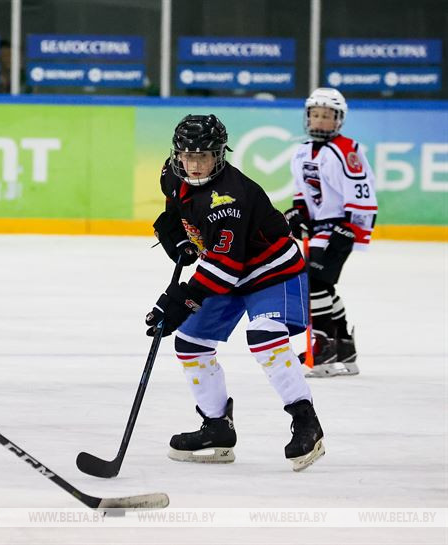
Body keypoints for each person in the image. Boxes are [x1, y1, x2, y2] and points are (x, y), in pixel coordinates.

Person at [148, 114, 324, 472]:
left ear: (219, 155)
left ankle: (306, 421)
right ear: (177, 154)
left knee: (265, 337)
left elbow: (225, 269)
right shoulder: (171, 173)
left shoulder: (228, 199)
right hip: (228, 270)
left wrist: (182, 301)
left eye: (204, 156)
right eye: (187, 156)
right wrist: (178, 235)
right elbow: (177, 206)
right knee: (190, 343)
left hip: (272, 271)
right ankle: (216, 427)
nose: (194, 165)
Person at [286, 87, 377, 377]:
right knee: (322, 285)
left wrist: (350, 228)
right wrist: (298, 213)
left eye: (327, 115)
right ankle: (344, 346)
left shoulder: (347, 149)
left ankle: (324, 348)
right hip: (317, 229)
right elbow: (303, 192)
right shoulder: (302, 151)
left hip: (340, 227)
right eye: (315, 114)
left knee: (314, 283)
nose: (320, 120)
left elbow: (361, 190)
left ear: (338, 119)